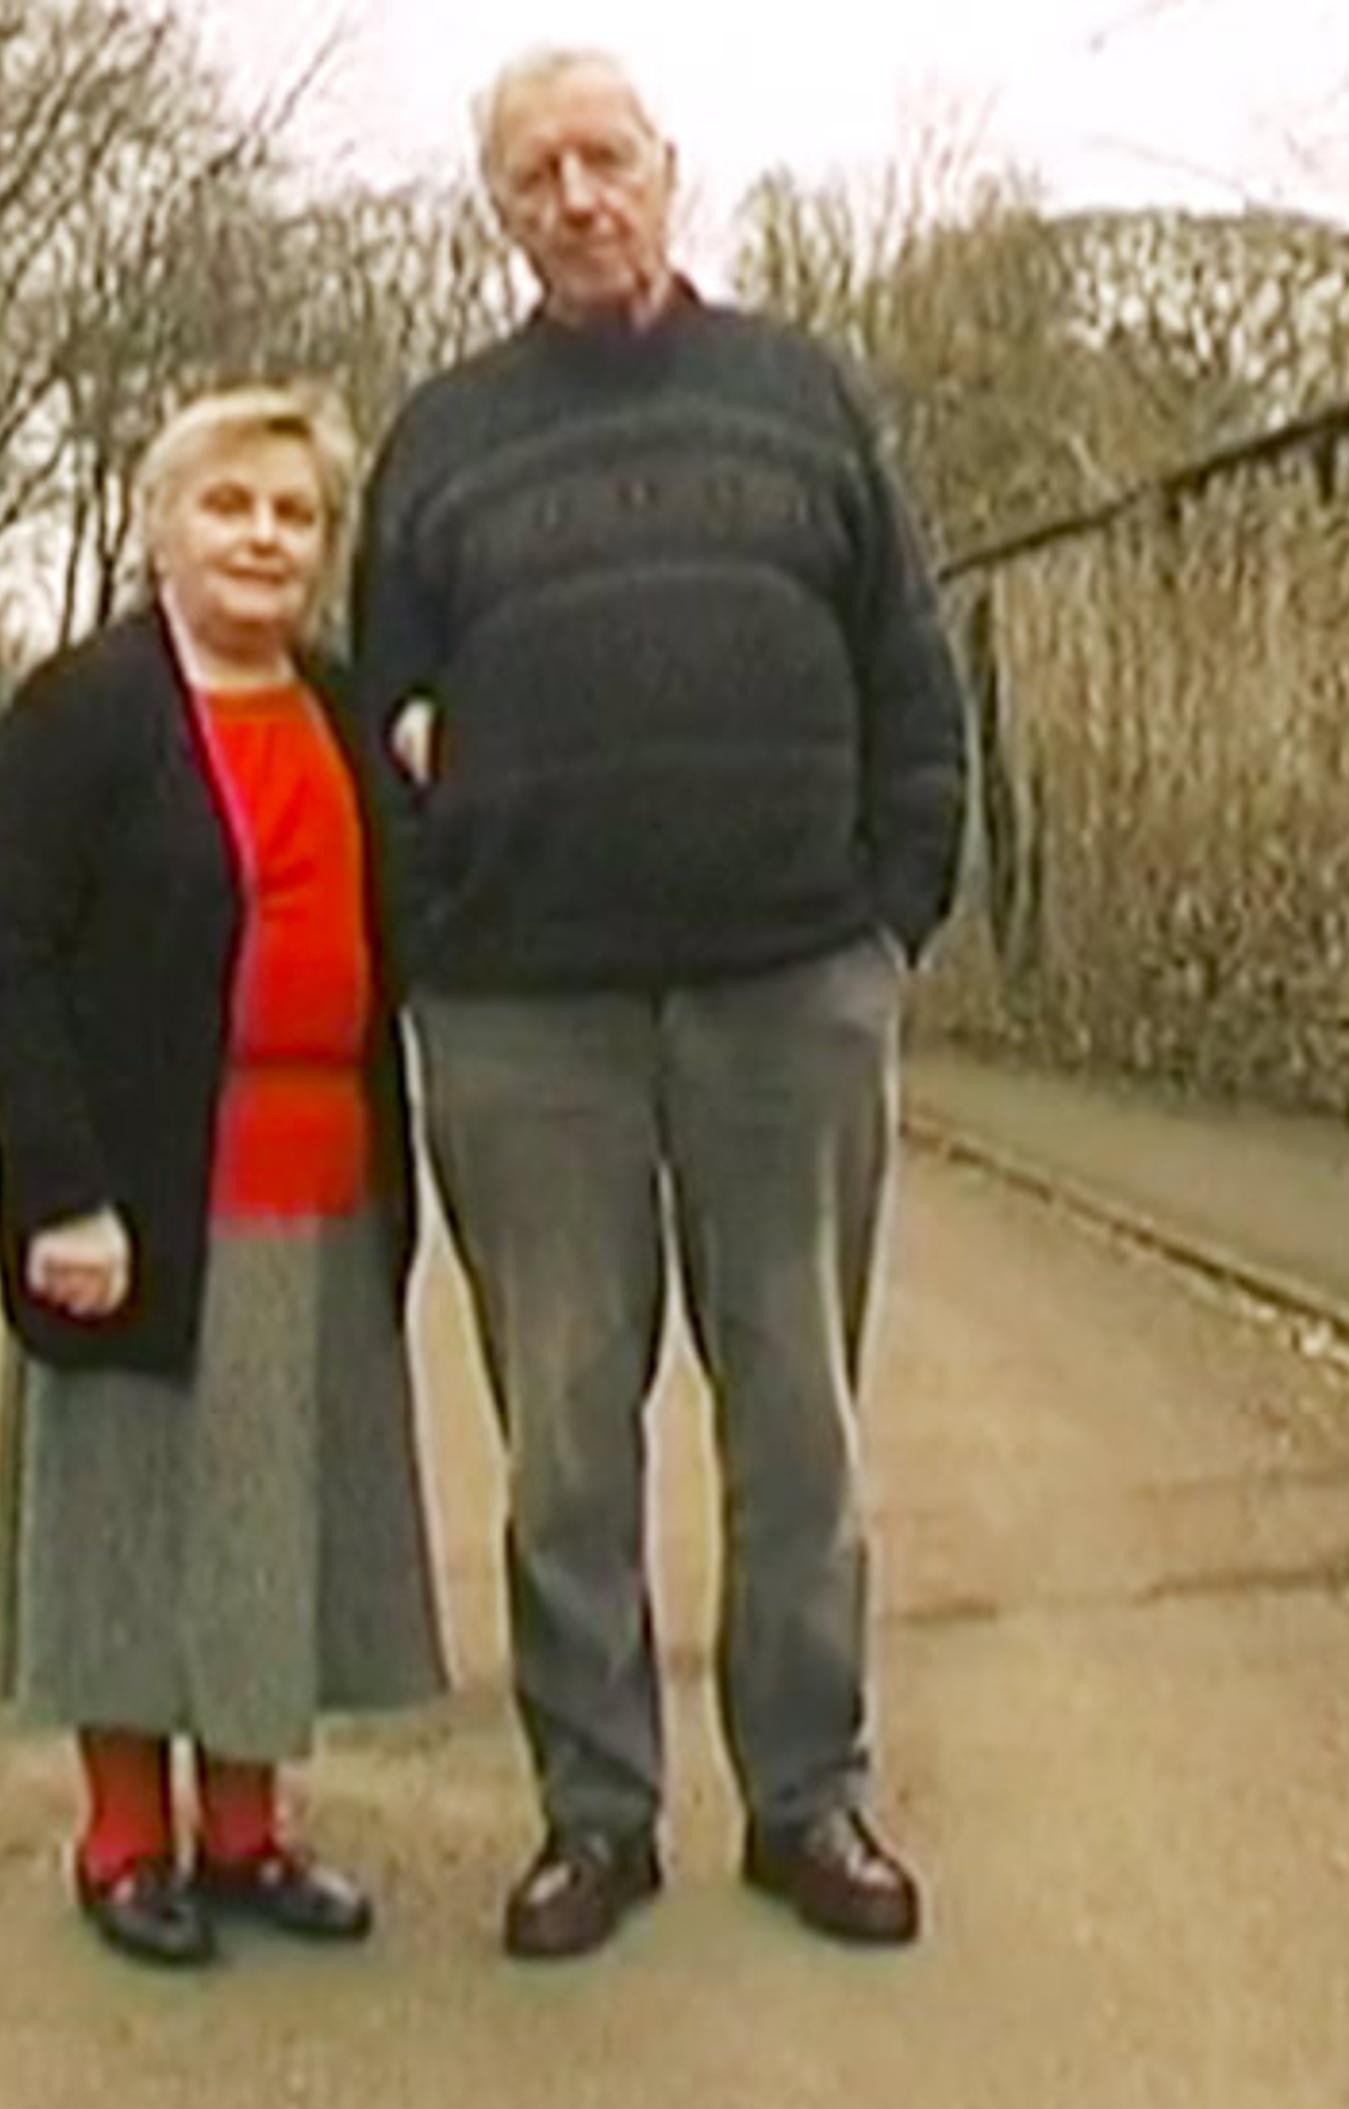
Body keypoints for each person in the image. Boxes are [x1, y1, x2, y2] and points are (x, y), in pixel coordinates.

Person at [349, 48, 969, 1960]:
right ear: (502, 213)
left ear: (669, 171)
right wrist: (440, 928)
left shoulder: (803, 393)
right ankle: (594, 1814)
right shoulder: (440, 442)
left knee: (796, 1416)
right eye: (535, 174)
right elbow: (384, 721)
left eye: (604, 158)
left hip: (790, 991)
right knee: (561, 1434)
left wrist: (888, 926)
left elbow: (911, 676)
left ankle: (809, 1797)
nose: (577, 196)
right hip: (531, 1025)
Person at [0, 384, 445, 1970]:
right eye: (232, 506)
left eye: (295, 515)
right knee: (129, 1516)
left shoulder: (346, 713)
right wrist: (60, 1191)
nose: (265, 539)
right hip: (148, 1187)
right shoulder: (84, 711)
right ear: (165, 524)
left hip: (318, 1185)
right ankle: (122, 1839)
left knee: (266, 1516)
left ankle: (245, 1829)